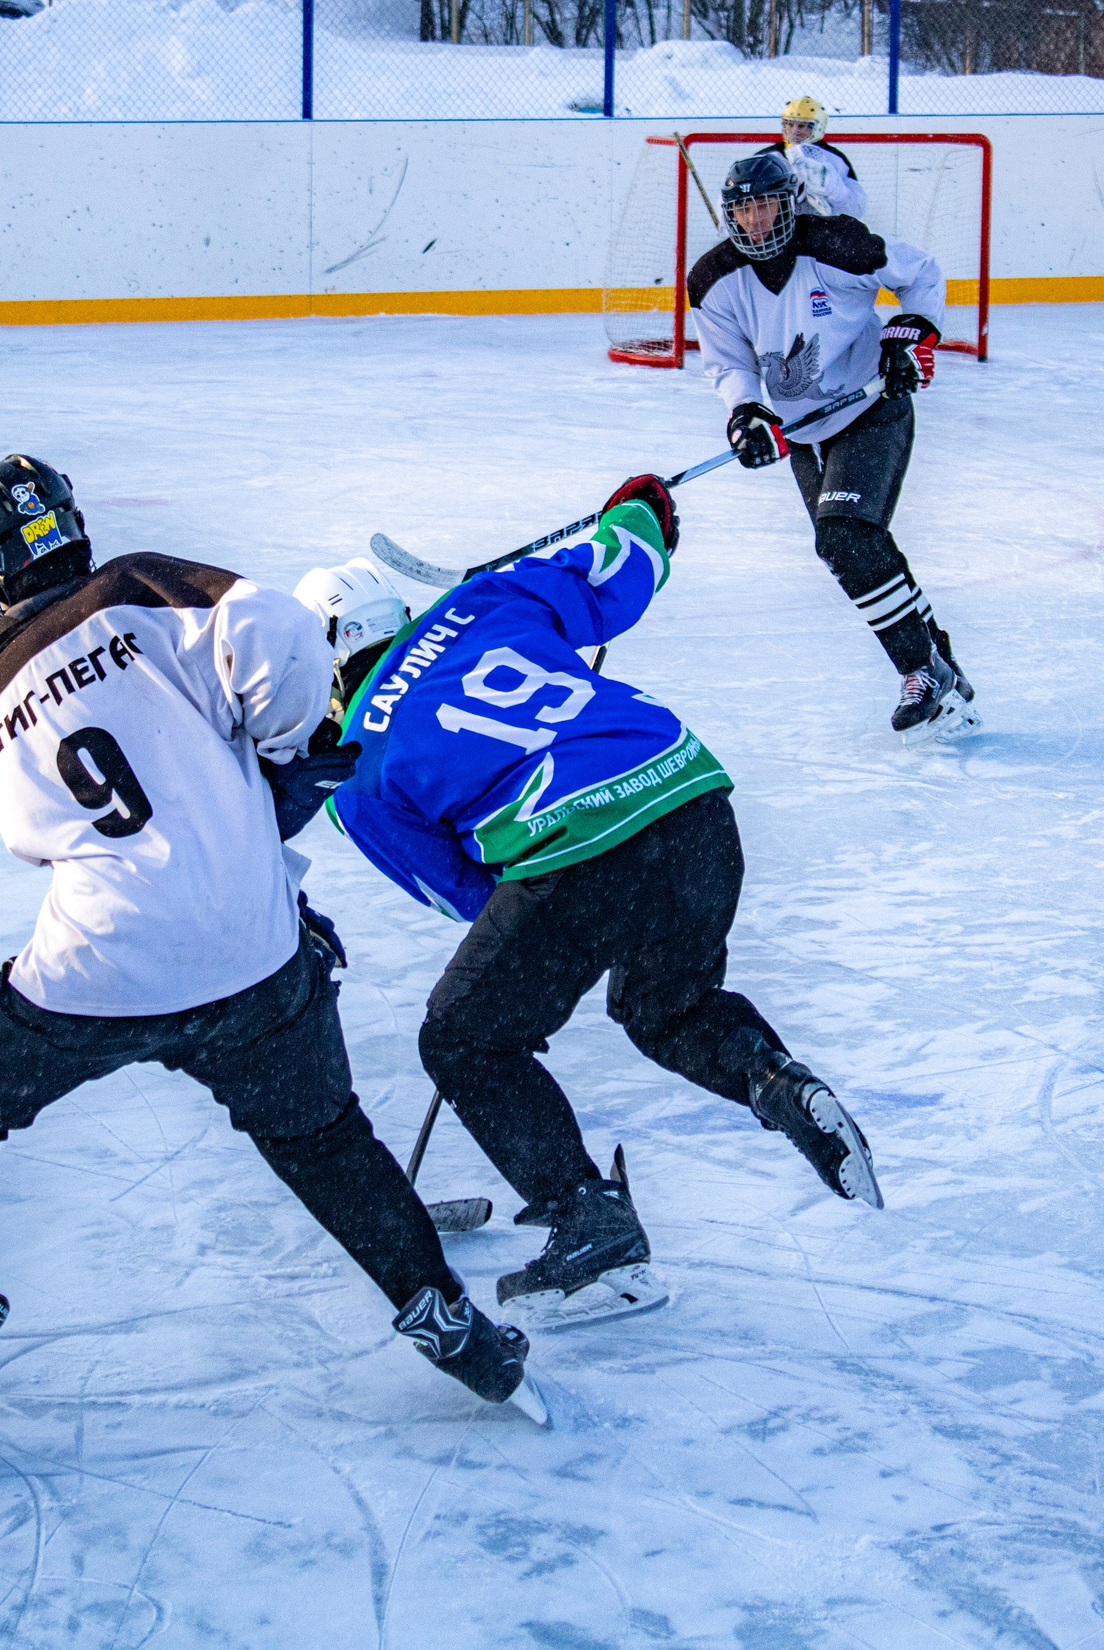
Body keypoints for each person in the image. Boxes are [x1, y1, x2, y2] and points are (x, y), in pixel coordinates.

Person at [0, 455, 542, 1488]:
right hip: (255, 953)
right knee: (324, 1140)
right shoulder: (140, 584)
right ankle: (457, 1330)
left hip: (100, 968)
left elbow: (43, 836)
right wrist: (281, 749)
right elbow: (285, 638)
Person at [289, 482, 885, 1329]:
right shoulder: (482, 601)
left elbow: (464, 893)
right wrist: (642, 511)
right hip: (693, 800)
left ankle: (589, 1223)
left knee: (462, 1037)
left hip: (579, 851)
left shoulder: (358, 770)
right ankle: (774, 1080)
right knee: (668, 1006)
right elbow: (623, 565)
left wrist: (560, 918)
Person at [690, 148, 978, 743]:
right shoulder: (713, 280)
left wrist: (908, 337)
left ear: (790, 204)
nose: (756, 221)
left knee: (844, 537)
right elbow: (729, 363)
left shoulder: (838, 243)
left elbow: (921, 272)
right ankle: (940, 658)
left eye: (767, 206)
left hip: (873, 406)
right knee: (855, 544)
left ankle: (920, 671)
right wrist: (746, 412)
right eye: (744, 211)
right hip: (802, 431)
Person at [769, 94, 867, 220]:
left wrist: (833, 189)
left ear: (818, 127)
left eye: (801, 126)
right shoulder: (770, 156)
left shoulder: (835, 159)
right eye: (790, 124)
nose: (794, 131)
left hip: (822, 227)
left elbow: (857, 210)